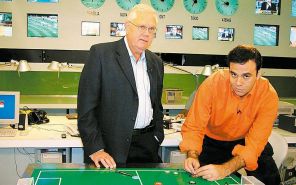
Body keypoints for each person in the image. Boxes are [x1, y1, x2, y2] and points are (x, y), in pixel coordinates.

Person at [77, 4, 164, 169]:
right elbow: (86, 109)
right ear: (127, 26)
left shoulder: (156, 62)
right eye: (142, 27)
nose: (146, 33)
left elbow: (157, 106)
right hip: (110, 150)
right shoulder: (101, 55)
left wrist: (157, 136)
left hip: (147, 147)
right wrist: (96, 149)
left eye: (151, 29)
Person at [179, 45, 280, 185]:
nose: (238, 83)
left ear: (258, 74)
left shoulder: (268, 95)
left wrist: (225, 169)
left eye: (246, 76)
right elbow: (194, 126)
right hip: (212, 142)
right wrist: (192, 154)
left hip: (246, 140)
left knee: (271, 180)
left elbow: (254, 146)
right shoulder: (212, 84)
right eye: (233, 74)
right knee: (199, 178)